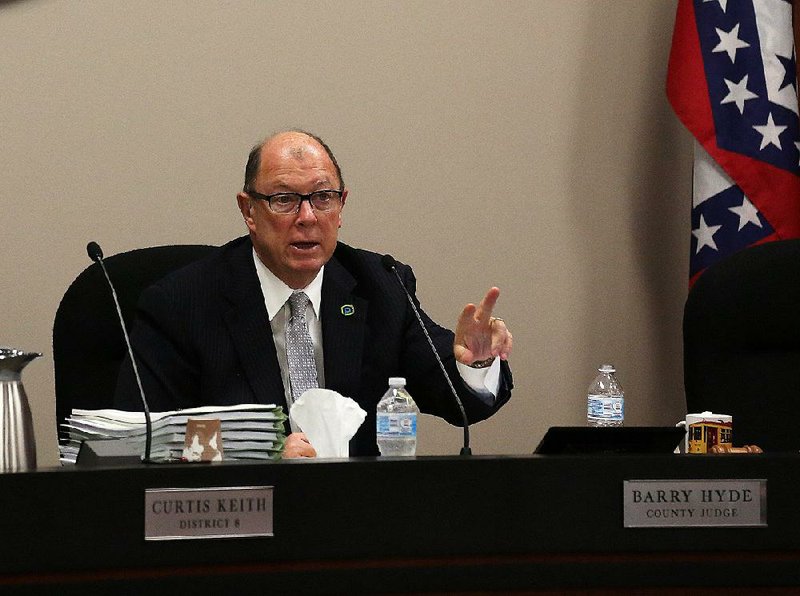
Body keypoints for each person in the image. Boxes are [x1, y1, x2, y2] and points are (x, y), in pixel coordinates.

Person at [114, 130, 514, 457]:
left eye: (322, 198)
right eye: (284, 200)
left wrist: (476, 365)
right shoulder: (182, 303)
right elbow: (145, 438)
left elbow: (453, 397)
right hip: (238, 523)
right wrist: (260, 453)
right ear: (249, 211)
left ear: (341, 207)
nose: (307, 218)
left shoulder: (380, 284)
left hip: (352, 525)